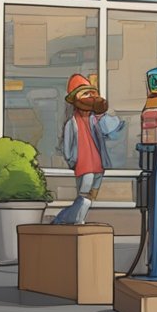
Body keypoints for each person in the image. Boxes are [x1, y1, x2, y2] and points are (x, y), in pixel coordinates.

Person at [52, 74, 125, 225]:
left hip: (98, 166)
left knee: (90, 197)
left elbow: (113, 129)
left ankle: (66, 219)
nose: (90, 97)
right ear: (75, 99)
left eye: (92, 93)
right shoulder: (71, 123)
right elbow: (67, 146)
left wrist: (101, 114)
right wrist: (72, 161)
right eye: (85, 93)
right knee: (84, 196)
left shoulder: (96, 119)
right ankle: (73, 220)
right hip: (84, 166)